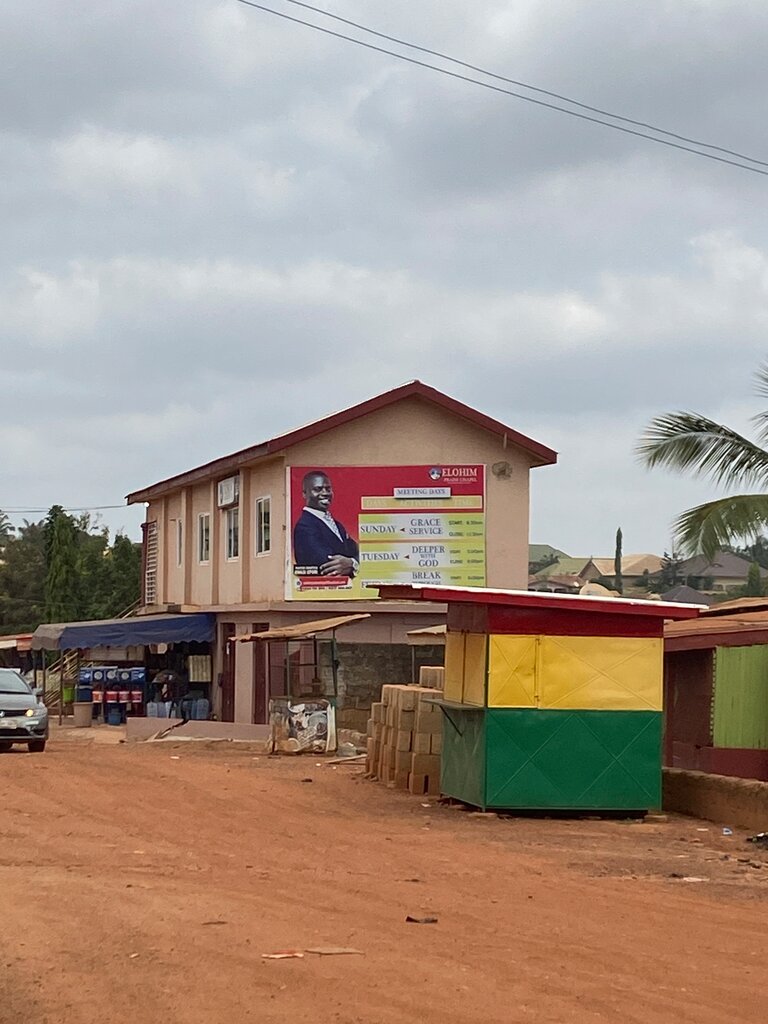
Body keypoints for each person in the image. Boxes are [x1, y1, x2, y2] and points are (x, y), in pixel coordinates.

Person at [293, 470, 359, 577]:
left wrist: (351, 563)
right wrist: (354, 562)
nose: (325, 493)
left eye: (328, 489)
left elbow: (359, 551)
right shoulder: (305, 526)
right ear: (305, 494)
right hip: (318, 589)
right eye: (318, 489)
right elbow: (328, 564)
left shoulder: (337, 525)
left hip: (345, 588)